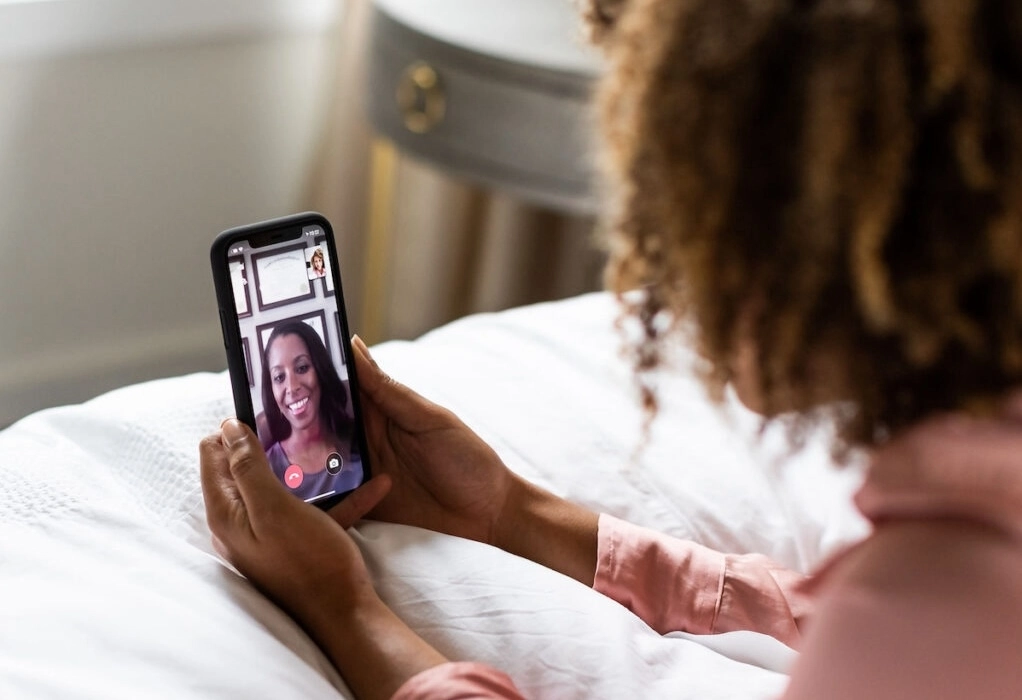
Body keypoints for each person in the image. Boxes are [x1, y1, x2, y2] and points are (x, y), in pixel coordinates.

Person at [200, 1, 1022, 698]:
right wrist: (512, 513)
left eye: (692, 207)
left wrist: (343, 608)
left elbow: (903, 635)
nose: (673, 274)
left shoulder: (940, 597)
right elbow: (815, 609)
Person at [260, 321, 361, 499]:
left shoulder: (358, 437)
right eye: (279, 377)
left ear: (321, 371)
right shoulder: (266, 468)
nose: (292, 387)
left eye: (302, 368)